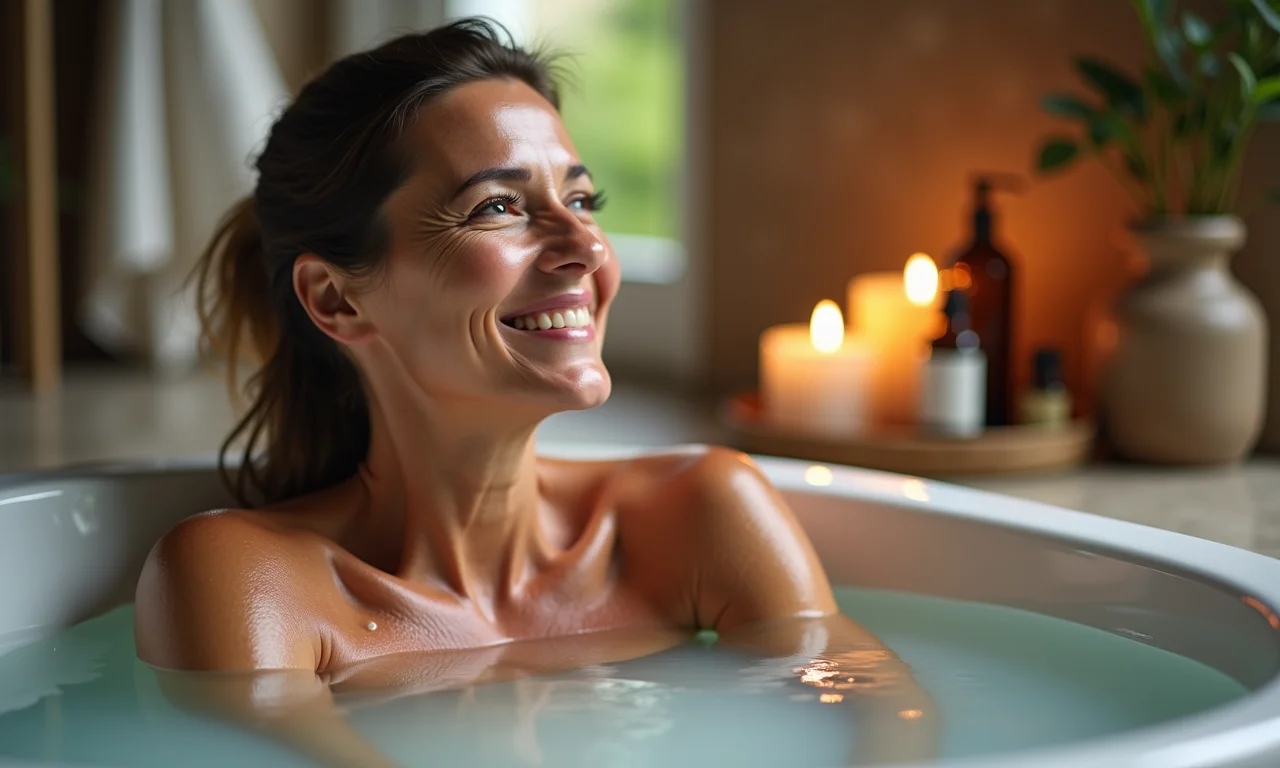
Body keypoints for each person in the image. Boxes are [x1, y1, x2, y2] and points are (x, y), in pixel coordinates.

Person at [133, 19, 937, 765]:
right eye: (500, 207)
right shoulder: (252, 583)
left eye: (583, 200)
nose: (585, 245)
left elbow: (892, 735)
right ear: (338, 300)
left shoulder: (697, 515)